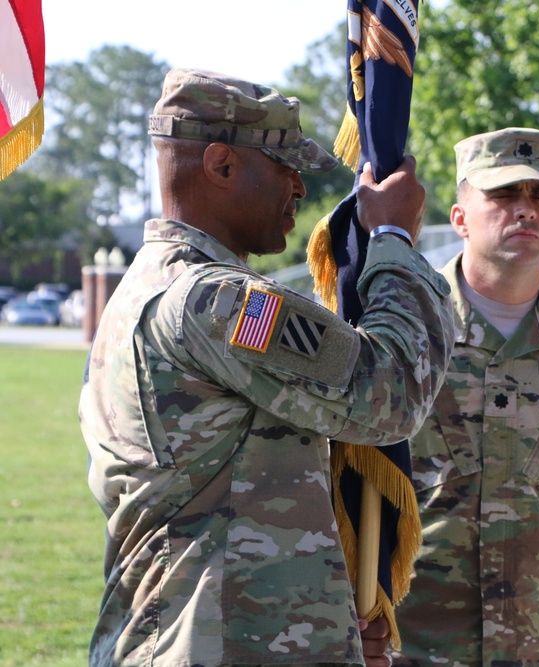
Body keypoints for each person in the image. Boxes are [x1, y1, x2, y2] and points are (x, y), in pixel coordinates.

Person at [79, 68, 454, 667]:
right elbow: (391, 394)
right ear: (222, 165)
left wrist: (321, 612)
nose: (300, 187)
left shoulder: (146, 286)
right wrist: (391, 241)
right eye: (285, 165)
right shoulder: (216, 301)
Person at [391, 127, 539, 666]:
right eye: (503, 195)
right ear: (459, 219)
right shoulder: (408, 324)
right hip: (419, 639)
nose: (526, 210)